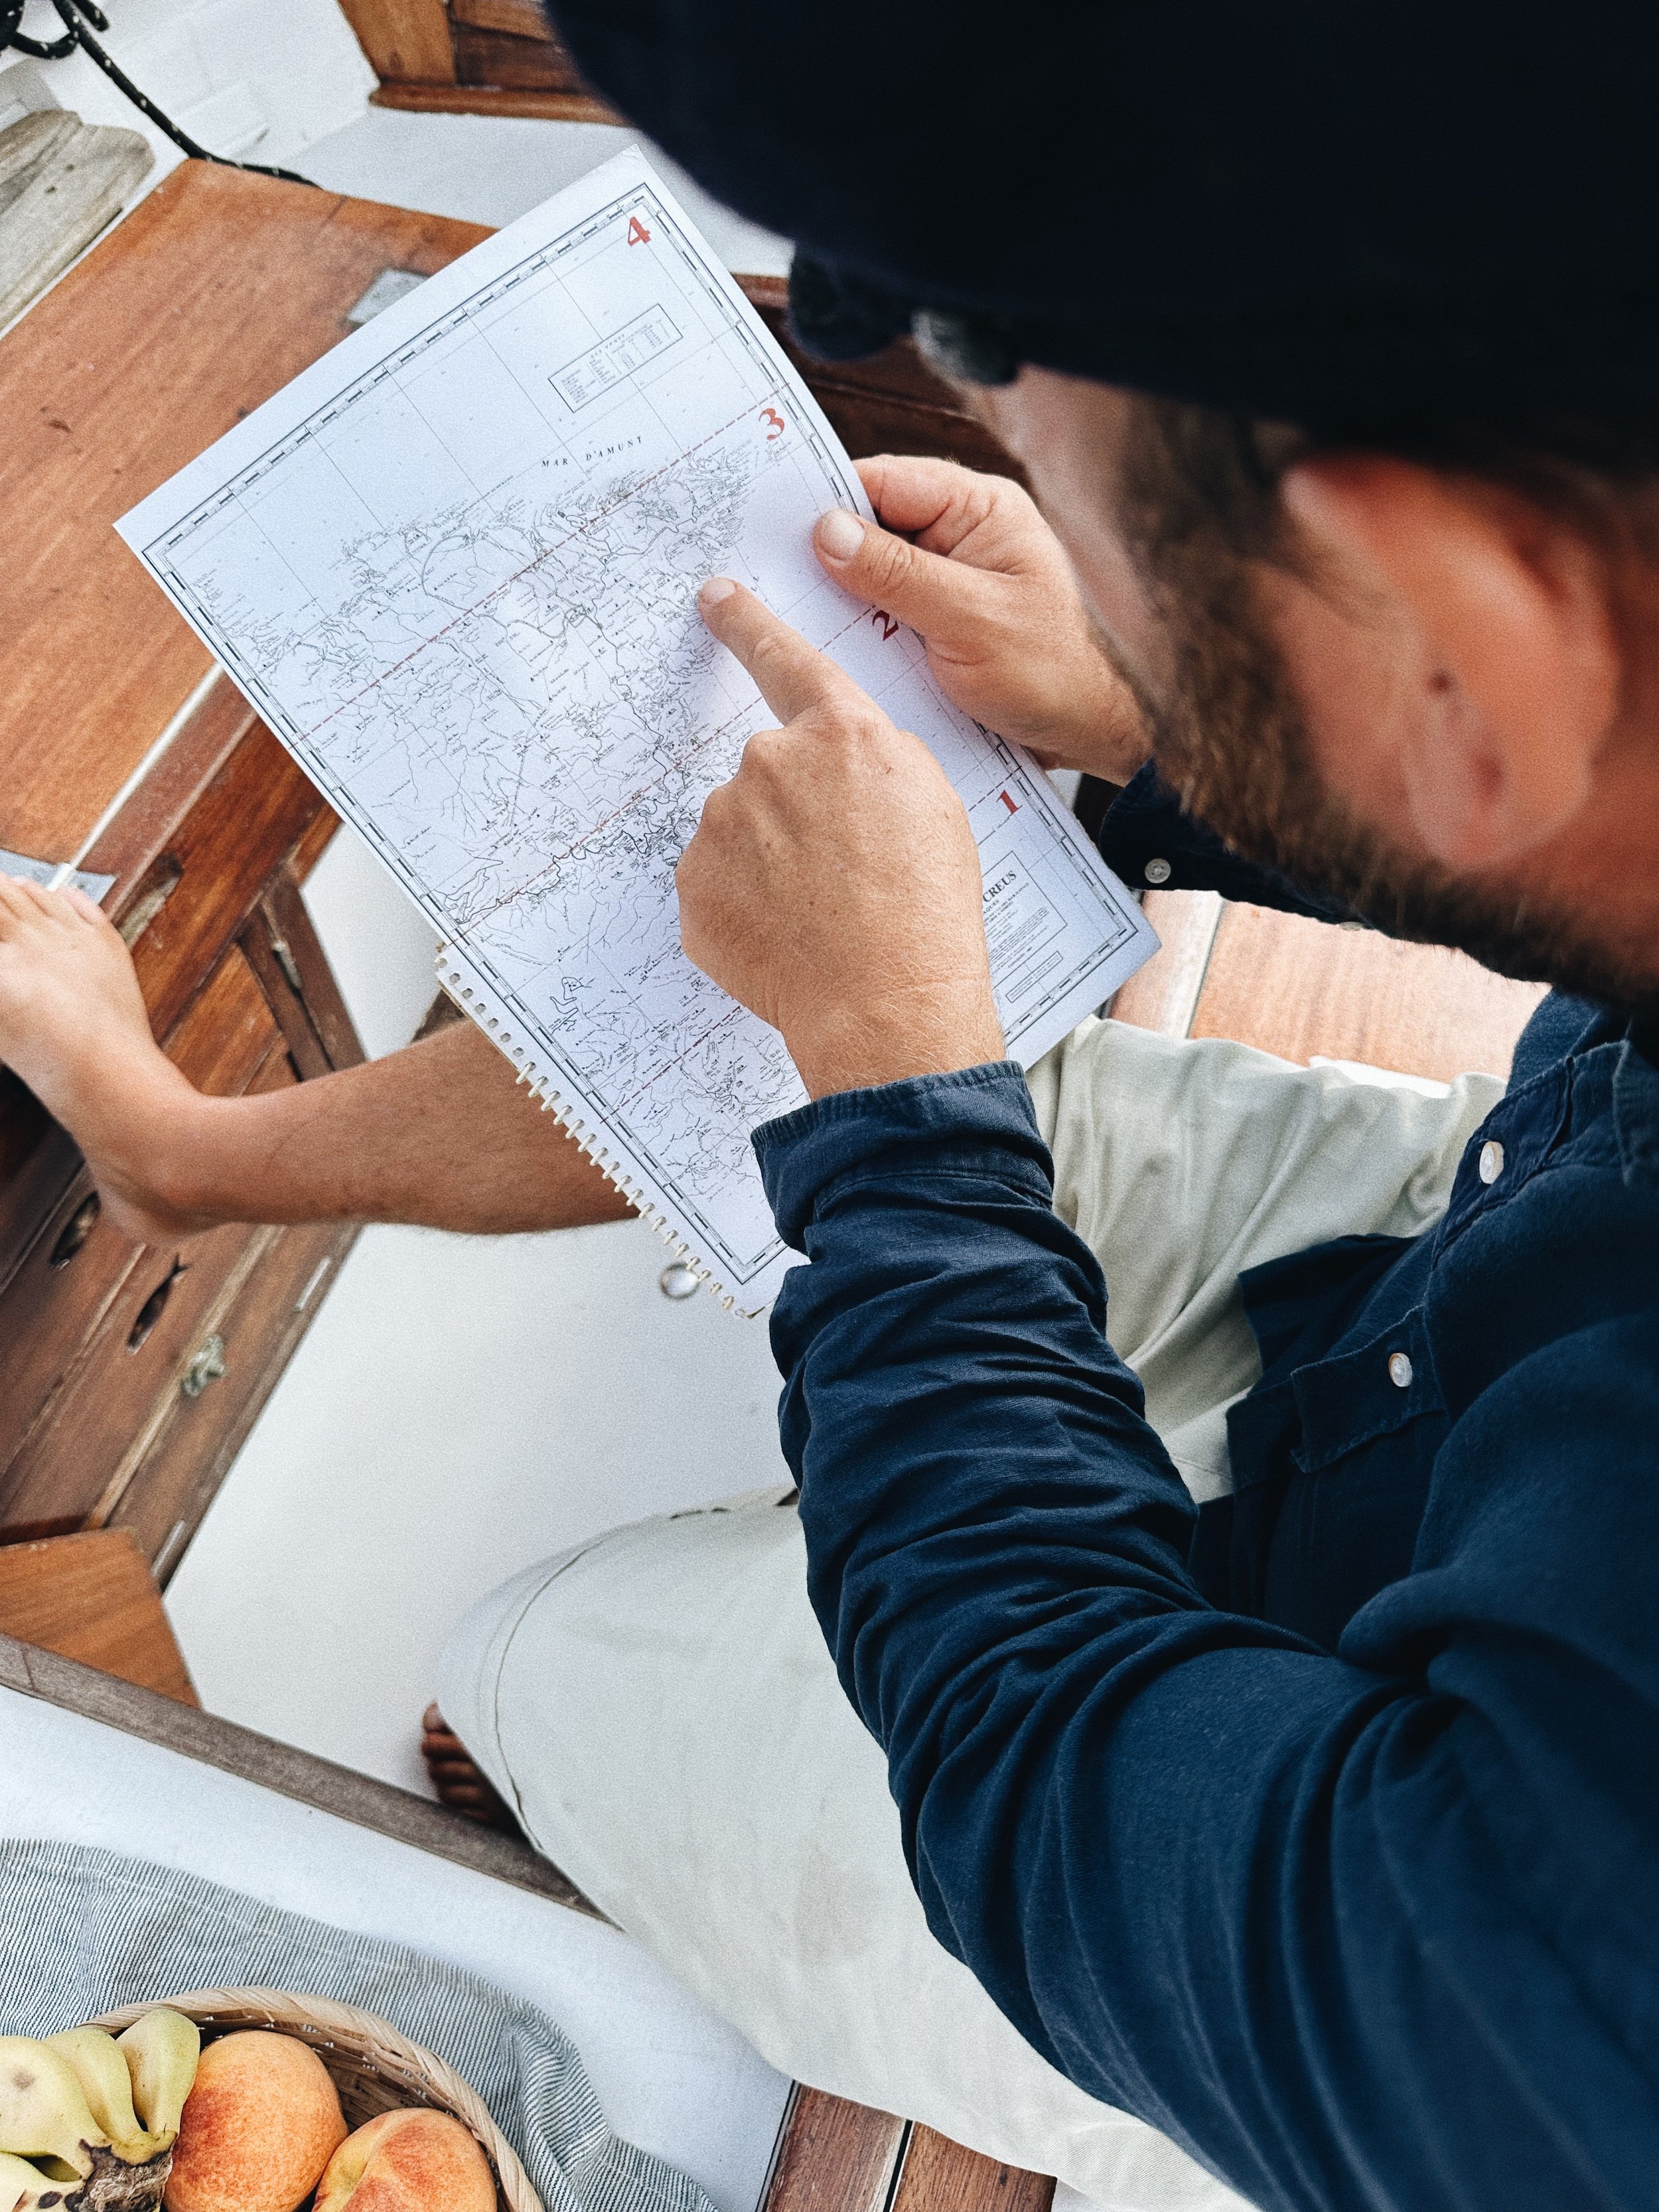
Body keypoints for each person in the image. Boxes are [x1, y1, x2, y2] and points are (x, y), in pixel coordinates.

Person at [5, 3, 1659, 2201]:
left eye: (1039, 426)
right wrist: (1160, 725)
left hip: (1302, 1893)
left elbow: (1056, 1769)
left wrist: (889, 1095)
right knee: (942, 1034)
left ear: (1467, 634)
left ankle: (563, 1732)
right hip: (1490, 1270)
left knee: (546, 1661)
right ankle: (184, 1154)